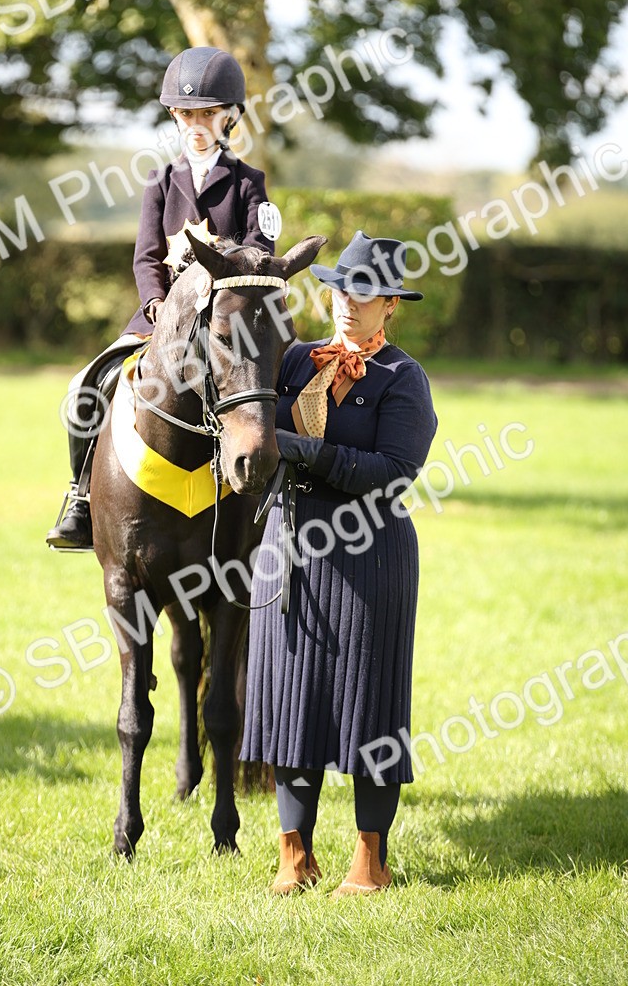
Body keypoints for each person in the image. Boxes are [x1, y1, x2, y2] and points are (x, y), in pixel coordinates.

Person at [239, 230, 438, 896]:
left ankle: (368, 858)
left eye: (367, 293)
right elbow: (243, 411)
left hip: (370, 556)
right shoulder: (294, 360)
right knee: (290, 702)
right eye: (341, 289)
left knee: (368, 707)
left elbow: (395, 472)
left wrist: (302, 451)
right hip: (287, 550)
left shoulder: (403, 379)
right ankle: (294, 853)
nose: (349, 304)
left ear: (390, 306)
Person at [46, 46, 278, 550]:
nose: (195, 124)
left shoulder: (248, 184)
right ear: (175, 117)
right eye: (186, 114)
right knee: (83, 385)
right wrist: (155, 305)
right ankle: (81, 499)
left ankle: (280, 504)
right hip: (159, 321)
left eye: (207, 114)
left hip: (228, 325)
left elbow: (261, 255)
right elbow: (145, 258)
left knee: (282, 385)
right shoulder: (159, 182)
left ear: (230, 118)